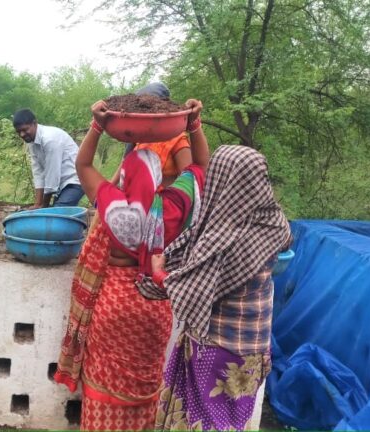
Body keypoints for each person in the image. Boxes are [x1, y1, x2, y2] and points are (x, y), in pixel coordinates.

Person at [54, 98, 210, 430]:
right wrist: (194, 124)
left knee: (102, 393)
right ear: (157, 178)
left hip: (113, 305)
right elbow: (202, 169)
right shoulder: (171, 209)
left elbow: (82, 166)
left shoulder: (113, 205)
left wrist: (96, 126)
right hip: (153, 305)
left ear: (126, 173)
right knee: (143, 397)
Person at [137, 145, 292, 431]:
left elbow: (194, 288)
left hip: (217, 347)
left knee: (203, 423)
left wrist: (159, 274)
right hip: (254, 349)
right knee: (232, 421)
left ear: (222, 179)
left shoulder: (223, 237)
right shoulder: (275, 224)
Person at [110, 83, 193, 189]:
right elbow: (125, 162)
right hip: (137, 202)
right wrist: (110, 186)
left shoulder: (177, 138)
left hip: (165, 202)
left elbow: (188, 182)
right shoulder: (140, 137)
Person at [12, 109, 84, 208]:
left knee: (57, 214)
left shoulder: (49, 139)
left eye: (25, 129)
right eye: (18, 132)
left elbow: (52, 174)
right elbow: (38, 173)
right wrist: (38, 204)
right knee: (55, 214)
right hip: (61, 185)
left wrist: (43, 206)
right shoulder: (31, 142)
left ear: (34, 123)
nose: (22, 135)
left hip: (75, 180)